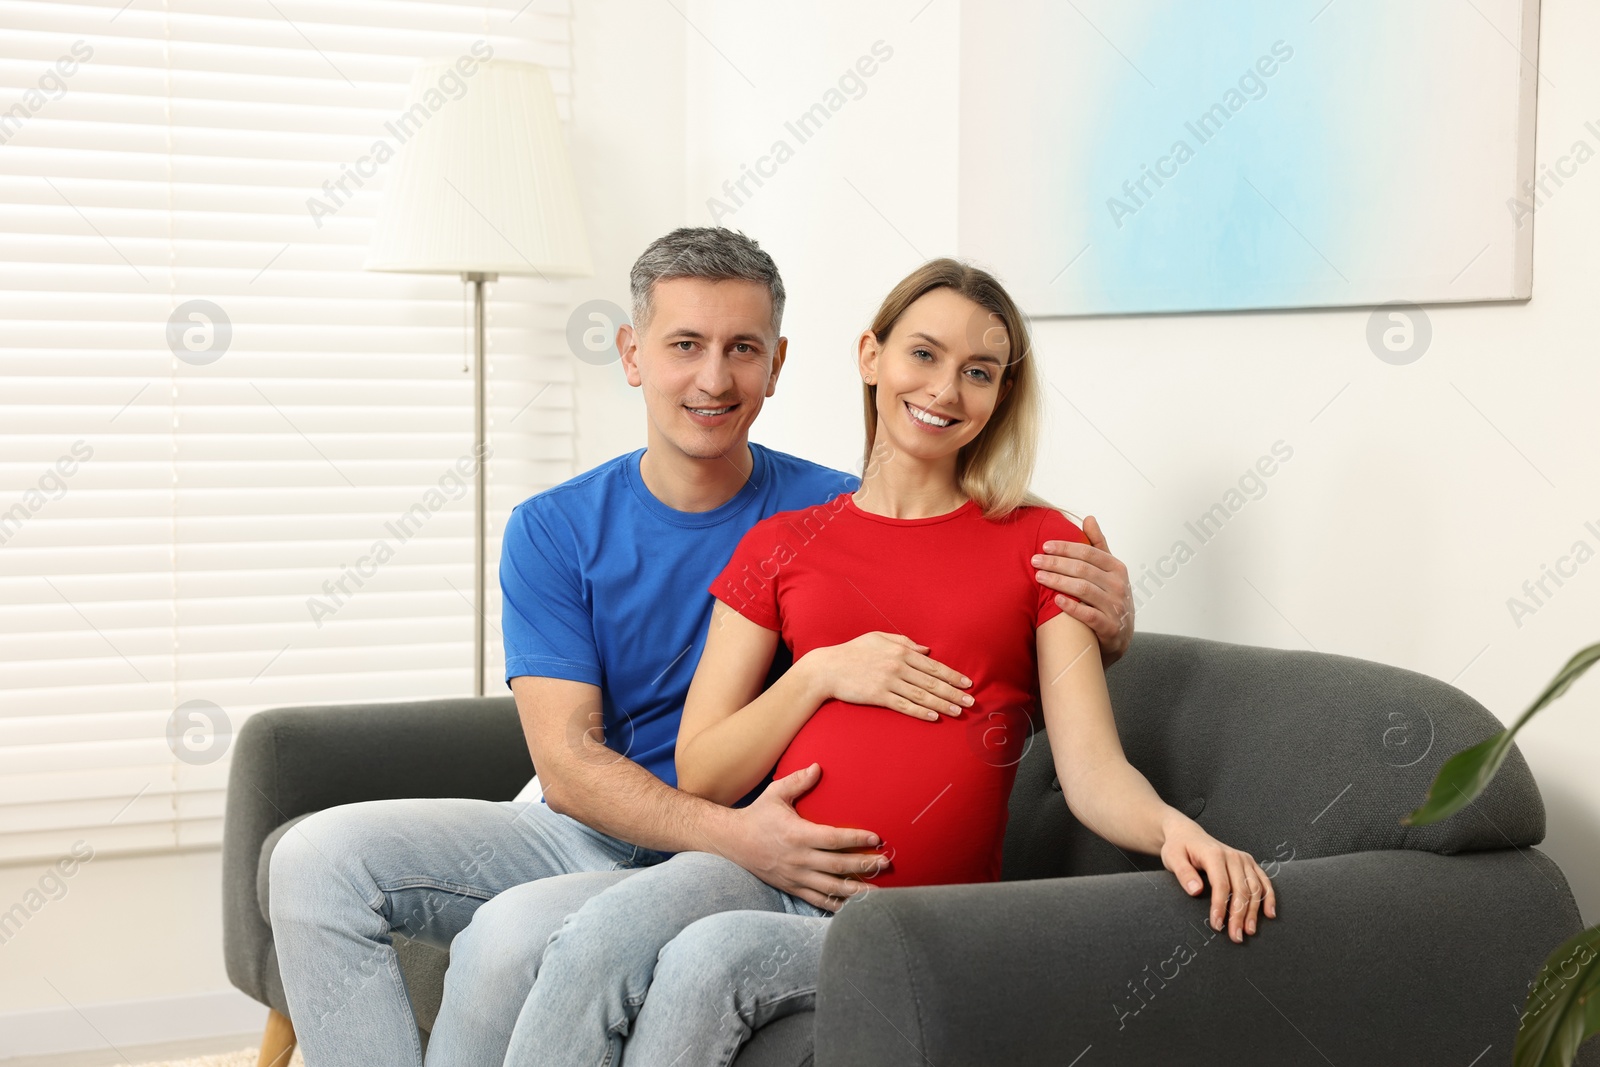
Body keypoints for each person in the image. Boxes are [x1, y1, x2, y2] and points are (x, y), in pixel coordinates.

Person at [267, 228, 1137, 1067]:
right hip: (603, 822)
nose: (713, 378)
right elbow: (570, 763)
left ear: (779, 364)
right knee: (312, 857)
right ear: (632, 352)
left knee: (508, 938)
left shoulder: (843, 517)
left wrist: (1109, 621)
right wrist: (739, 827)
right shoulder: (556, 527)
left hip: (757, 839)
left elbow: (969, 589)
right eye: (685, 343)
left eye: (743, 348)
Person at [500, 259, 1277, 1067]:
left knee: (707, 962)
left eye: (978, 372)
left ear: (1002, 395)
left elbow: (1089, 769)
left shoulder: (1044, 546)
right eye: (924, 355)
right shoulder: (779, 543)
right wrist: (820, 671)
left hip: (907, 913)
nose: (945, 389)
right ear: (871, 357)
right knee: (598, 934)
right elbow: (699, 770)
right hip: (767, 866)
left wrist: (1174, 829)